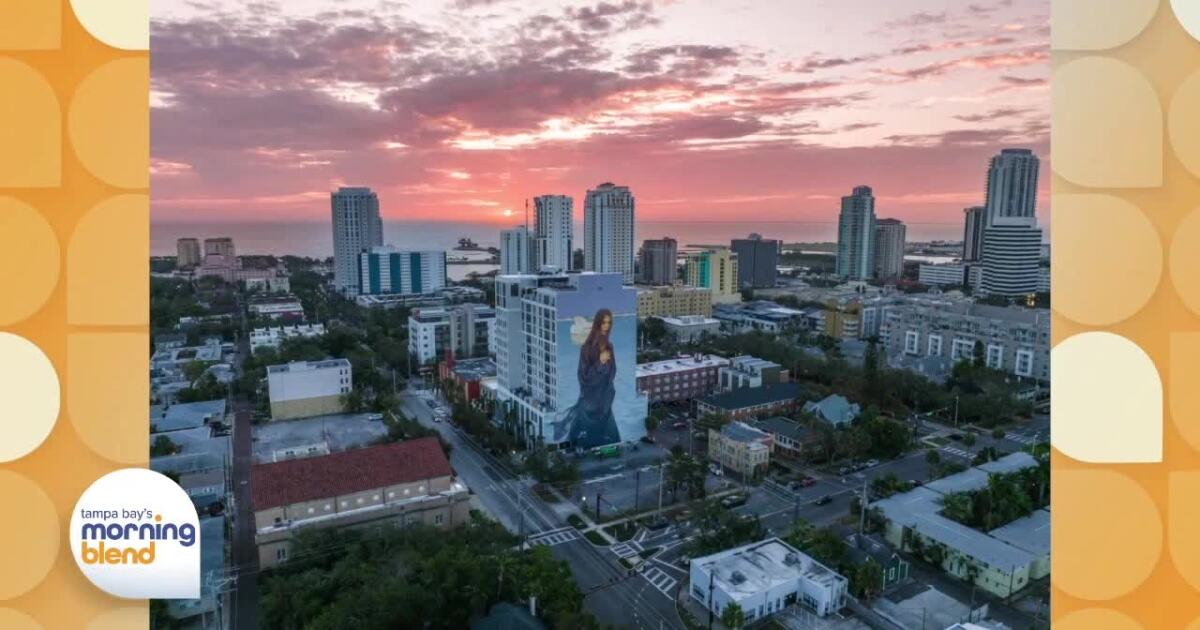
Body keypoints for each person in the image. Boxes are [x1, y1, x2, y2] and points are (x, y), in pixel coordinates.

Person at [556, 308, 621, 448]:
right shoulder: (587, 348)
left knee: (613, 442)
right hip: (589, 406)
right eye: (603, 322)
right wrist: (600, 363)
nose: (606, 326)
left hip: (605, 404)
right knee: (583, 443)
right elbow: (583, 377)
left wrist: (608, 387)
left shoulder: (610, 347)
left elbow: (613, 371)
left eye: (609, 323)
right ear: (597, 323)